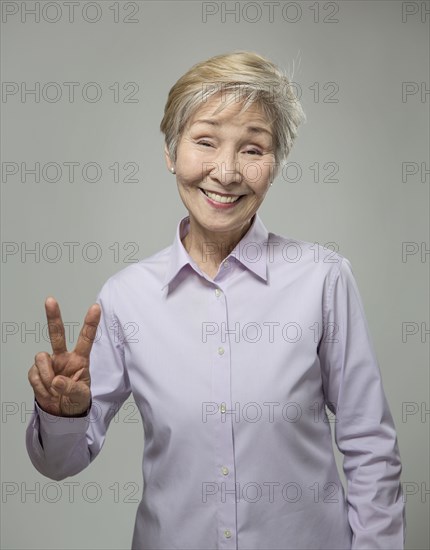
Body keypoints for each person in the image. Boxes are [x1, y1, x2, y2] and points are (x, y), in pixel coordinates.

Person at [26, 51, 405, 549]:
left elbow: (370, 447)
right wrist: (63, 416)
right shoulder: (126, 298)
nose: (225, 172)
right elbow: (59, 464)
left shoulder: (323, 280)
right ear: (170, 151)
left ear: (277, 162)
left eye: (253, 149)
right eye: (205, 141)